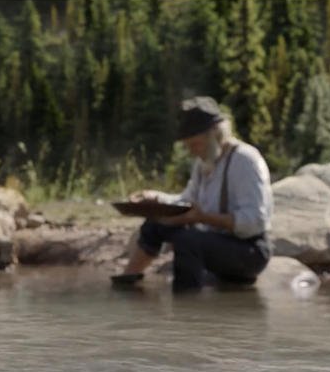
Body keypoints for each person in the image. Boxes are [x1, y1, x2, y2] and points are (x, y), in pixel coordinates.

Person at [113, 96, 274, 290]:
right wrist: (154, 198)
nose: (191, 152)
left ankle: (186, 305)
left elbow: (254, 222)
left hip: (249, 252)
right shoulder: (204, 163)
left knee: (187, 240)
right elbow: (187, 201)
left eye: (194, 144)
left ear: (215, 133)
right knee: (156, 224)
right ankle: (128, 279)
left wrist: (205, 218)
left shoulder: (245, 161)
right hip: (216, 240)